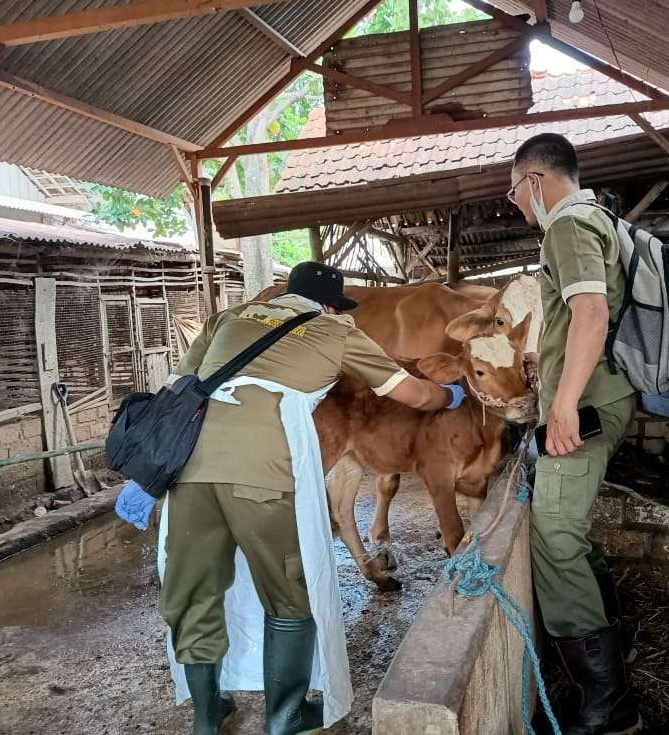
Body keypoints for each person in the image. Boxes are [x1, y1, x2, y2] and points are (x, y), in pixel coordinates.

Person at [156, 261, 463, 735]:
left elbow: (180, 385)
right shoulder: (336, 331)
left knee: (195, 594)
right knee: (287, 596)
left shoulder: (227, 317)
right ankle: (286, 717)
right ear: (328, 305)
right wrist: (451, 397)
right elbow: (414, 396)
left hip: (188, 469)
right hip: (263, 472)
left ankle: (206, 716)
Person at [508, 133, 641, 735]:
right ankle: (618, 654)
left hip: (584, 408)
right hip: (599, 397)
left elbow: (591, 313)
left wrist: (560, 406)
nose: (516, 203)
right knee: (574, 533)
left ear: (535, 180)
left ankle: (606, 707)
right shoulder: (598, 219)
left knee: (556, 537)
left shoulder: (567, 223)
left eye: (514, 191)